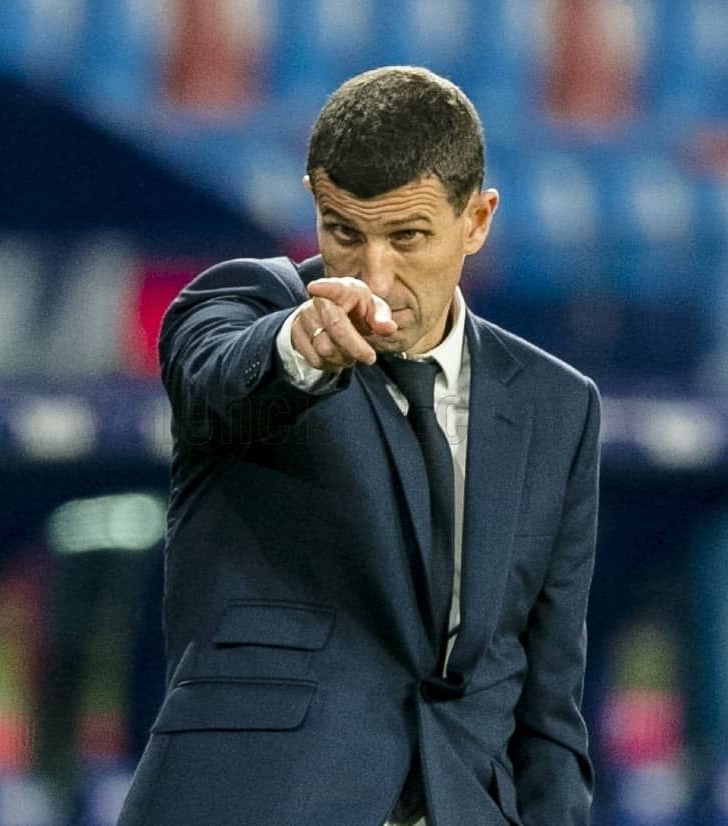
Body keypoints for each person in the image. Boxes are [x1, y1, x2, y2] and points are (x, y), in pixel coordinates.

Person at [118, 66, 600, 826]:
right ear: (315, 203)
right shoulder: (243, 306)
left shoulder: (559, 407)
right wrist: (298, 350)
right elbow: (215, 380)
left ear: (476, 220)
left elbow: (548, 711)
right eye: (345, 233)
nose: (374, 275)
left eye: (407, 237)